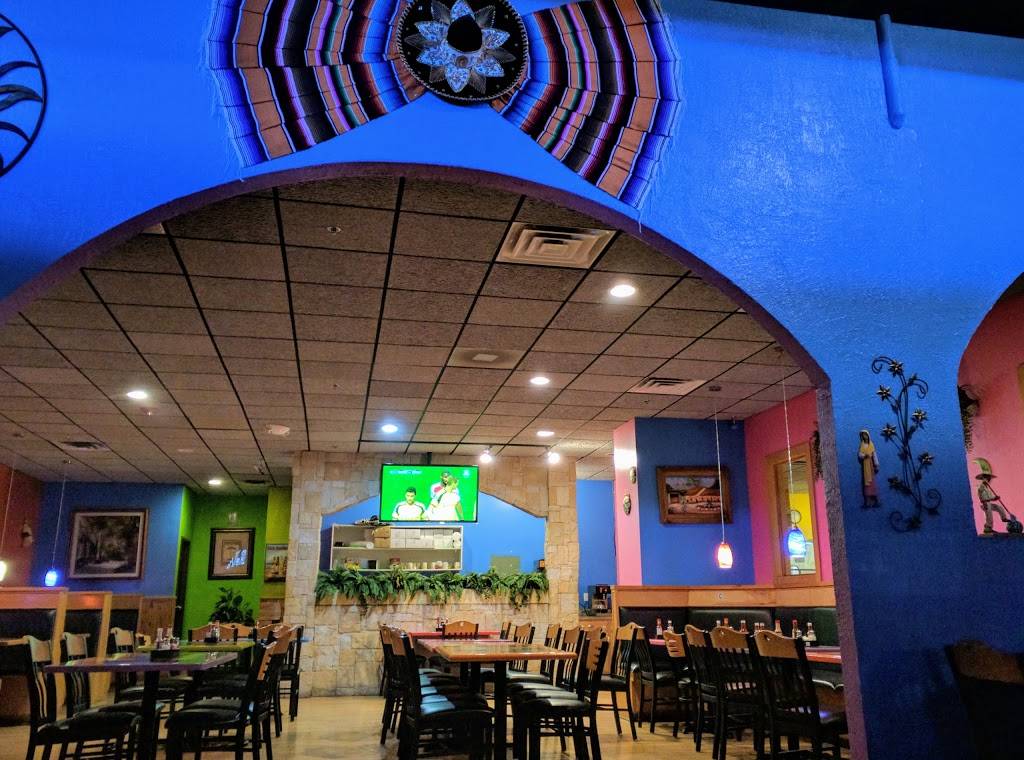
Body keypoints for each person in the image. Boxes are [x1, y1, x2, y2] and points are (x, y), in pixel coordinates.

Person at [975, 458, 1018, 534]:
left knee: (999, 507)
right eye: (987, 478)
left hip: (988, 502)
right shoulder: (981, 487)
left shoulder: (987, 487)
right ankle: (988, 528)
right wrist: (986, 501)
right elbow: (981, 495)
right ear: (983, 478)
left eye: (989, 478)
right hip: (985, 503)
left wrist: (995, 498)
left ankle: (1004, 518)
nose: (988, 479)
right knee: (989, 516)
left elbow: (990, 497)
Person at [858, 429, 880, 507]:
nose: (864, 436)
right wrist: (864, 456)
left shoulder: (871, 444)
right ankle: (867, 502)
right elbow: (860, 454)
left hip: (870, 465)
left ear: (868, 435)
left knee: (872, 481)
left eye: (865, 435)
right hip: (865, 465)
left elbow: (874, 455)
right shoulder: (862, 445)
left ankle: (876, 500)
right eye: (863, 435)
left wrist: (876, 465)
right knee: (866, 482)